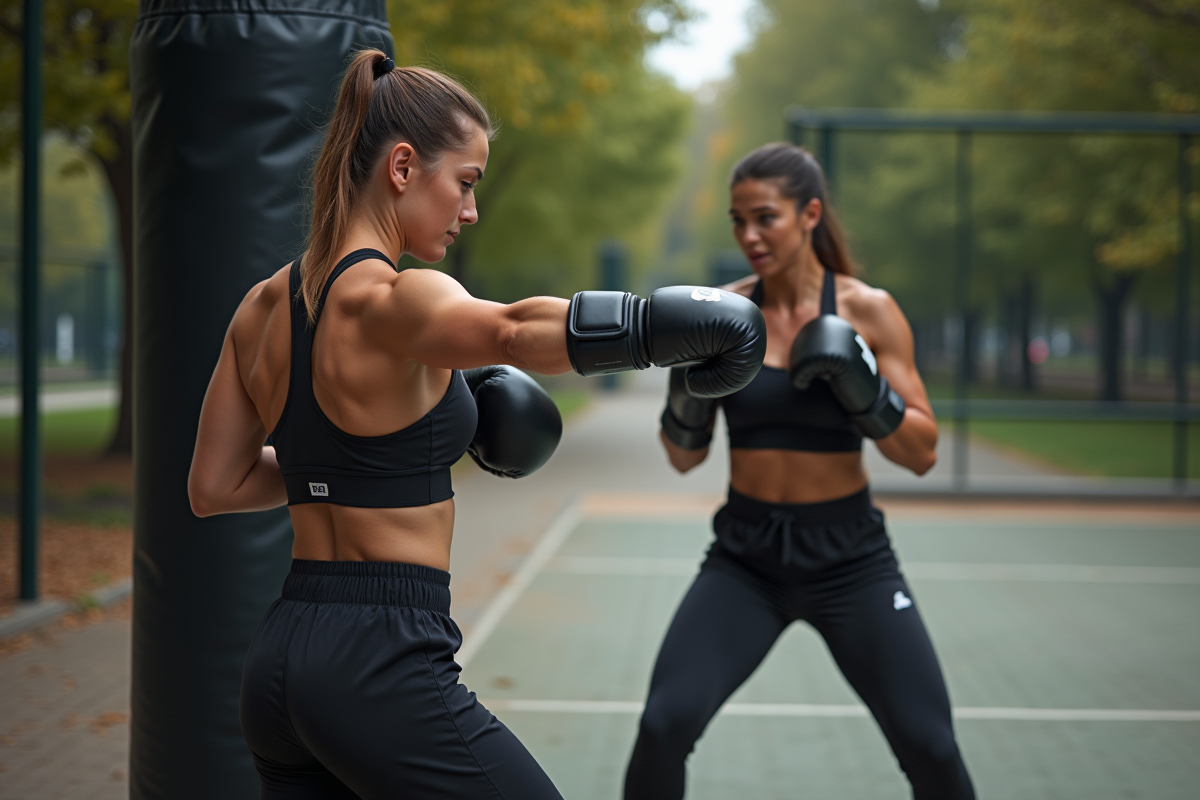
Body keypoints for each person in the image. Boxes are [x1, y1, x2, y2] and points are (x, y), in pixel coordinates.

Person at [186, 50, 766, 799]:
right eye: (464, 182)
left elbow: (215, 485)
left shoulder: (261, 307)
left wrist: (341, 469)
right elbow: (516, 332)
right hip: (380, 658)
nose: (470, 210)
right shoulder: (395, 299)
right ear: (402, 168)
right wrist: (666, 326)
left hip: (280, 662)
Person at [624, 142, 975, 799]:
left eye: (765, 218)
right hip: (746, 559)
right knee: (663, 725)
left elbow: (922, 453)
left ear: (810, 213)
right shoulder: (723, 316)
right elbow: (682, 459)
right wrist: (685, 393)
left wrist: (865, 389)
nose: (748, 236)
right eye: (737, 221)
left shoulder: (867, 311)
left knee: (930, 744)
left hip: (851, 560)